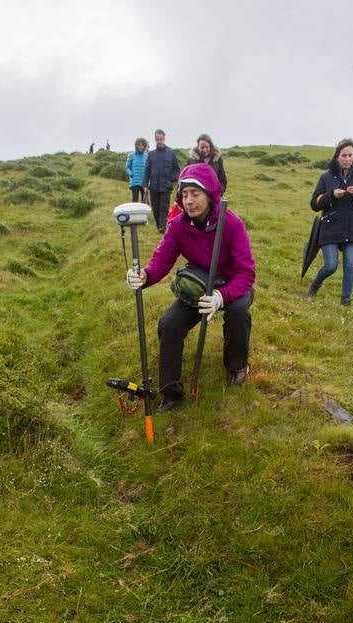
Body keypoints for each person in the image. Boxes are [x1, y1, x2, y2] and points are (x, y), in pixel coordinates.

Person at [126, 164, 255, 412]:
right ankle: (171, 392)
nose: (189, 201)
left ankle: (236, 368)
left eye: (195, 194)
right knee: (169, 325)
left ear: (209, 194)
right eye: (185, 194)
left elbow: (247, 273)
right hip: (199, 283)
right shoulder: (178, 225)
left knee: (238, 313)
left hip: (233, 284)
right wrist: (144, 276)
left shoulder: (232, 224)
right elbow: (161, 261)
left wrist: (221, 296)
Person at [306, 138, 353, 307]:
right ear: (337, 156)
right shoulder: (326, 177)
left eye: (350, 155)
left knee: (350, 265)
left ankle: (345, 302)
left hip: (352, 228)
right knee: (331, 266)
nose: (347, 159)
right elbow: (314, 203)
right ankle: (314, 285)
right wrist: (332, 195)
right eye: (344, 155)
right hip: (330, 227)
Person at [143, 129, 181, 233]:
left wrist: (171, 180)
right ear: (155, 139)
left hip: (166, 187)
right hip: (154, 187)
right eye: (157, 139)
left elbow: (177, 169)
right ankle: (159, 226)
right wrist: (145, 185)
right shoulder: (151, 154)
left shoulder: (170, 153)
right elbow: (147, 171)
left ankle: (162, 227)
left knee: (163, 208)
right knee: (155, 208)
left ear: (164, 138)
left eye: (161, 139)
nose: (159, 141)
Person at [125, 138, 149, 202]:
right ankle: (134, 212)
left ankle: (144, 212)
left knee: (145, 200)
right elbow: (127, 167)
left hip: (144, 182)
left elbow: (148, 169)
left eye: (142, 145)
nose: (141, 147)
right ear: (136, 146)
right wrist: (131, 174)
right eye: (139, 145)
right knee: (135, 200)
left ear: (144, 146)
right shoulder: (131, 155)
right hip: (134, 182)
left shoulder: (146, 156)